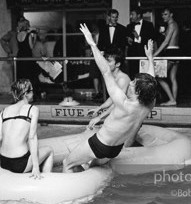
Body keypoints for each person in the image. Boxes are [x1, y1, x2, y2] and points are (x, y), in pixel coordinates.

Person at [62, 23, 157, 173]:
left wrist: (92, 44)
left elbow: (106, 71)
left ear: (138, 92)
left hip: (100, 144)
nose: (130, 83)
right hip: (116, 149)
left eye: (133, 84)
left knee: (67, 163)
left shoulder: (124, 103)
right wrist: (150, 58)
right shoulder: (149, 104)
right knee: (91, 164)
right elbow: (152, 80)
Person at [0, 79, 53, 178]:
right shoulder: (33, 109)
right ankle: (44, 183)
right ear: (26, 93)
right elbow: (32, 138)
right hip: (19, 163)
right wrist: (35, 167)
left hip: (4, 161)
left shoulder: (4, 111)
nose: (33, 93)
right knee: (49, 150)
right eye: (32, 91)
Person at [87, 47, 131, 129]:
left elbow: (117, 104)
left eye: (109, 61)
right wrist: (99, 108)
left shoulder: (122, 79)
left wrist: (99, 117)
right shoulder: (112, 77)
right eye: (105, 60)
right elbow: (112, 98)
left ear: (117, 64)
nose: (105, 63)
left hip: (129, 116)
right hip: (122, 112)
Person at [90, 10, 128, 100]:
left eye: (116, 17)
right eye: (113, 17)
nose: (115, 19)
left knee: (118, 77)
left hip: (117, 57)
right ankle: (107, 97)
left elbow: (124, 45)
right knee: (106, 77)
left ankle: (120, 97)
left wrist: (122, 57)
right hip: (107, 57)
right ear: (109, 17)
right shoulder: (103, 28)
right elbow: (100, 43)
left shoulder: (122, 29)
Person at [153, 8, 180, 106]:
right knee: (172, 77)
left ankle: (172, 99)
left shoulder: (172, 25)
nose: (163, 16)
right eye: (162, 14)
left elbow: (166, 42)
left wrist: (154, 54)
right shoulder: (173, 25)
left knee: (158, 76)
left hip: (171, 52)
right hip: (175, 51)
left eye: (165, 14)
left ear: (171, 14)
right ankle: (174, 101)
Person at [126, 6, 156, 80]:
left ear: (138, 15)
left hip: (144, 54)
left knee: (144, 76)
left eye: (132, 14)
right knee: (132, 76)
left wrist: (138, 38)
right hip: (132, 56)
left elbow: (152, 39)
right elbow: (126, 42)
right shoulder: (129, 26)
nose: (131, 16)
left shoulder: (149, 25)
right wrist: (128, 40)